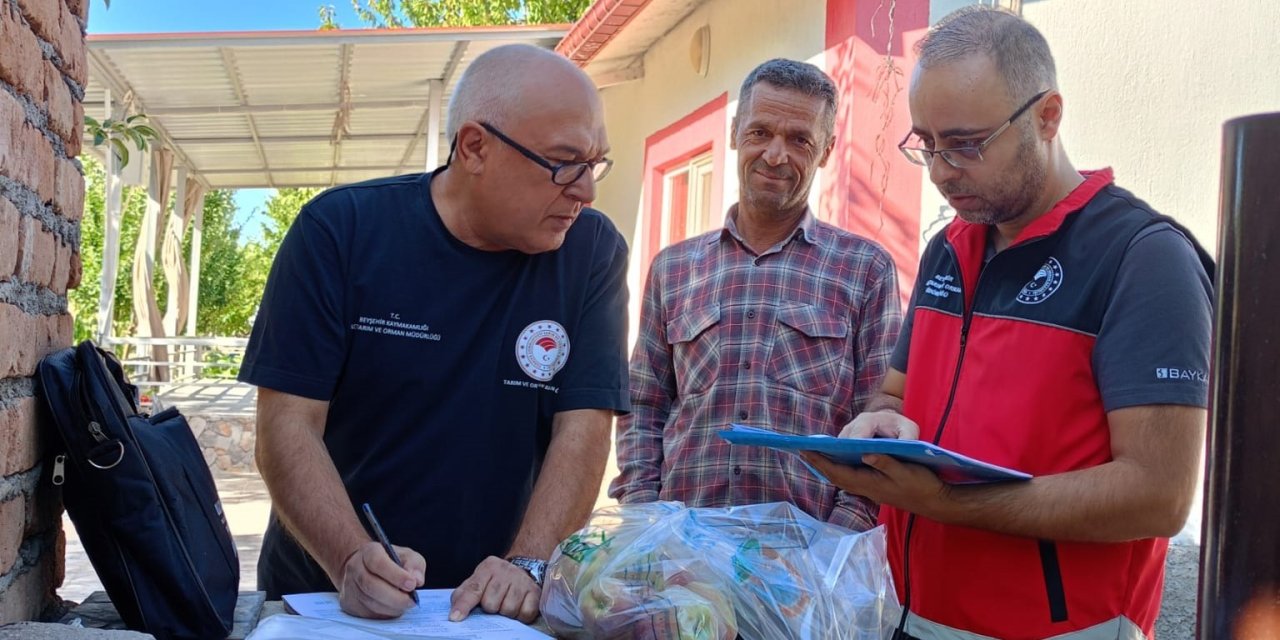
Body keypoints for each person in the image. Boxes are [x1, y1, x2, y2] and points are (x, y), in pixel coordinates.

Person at [802, 7, 1215, 640]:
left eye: (966, 143)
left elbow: (1158, 494)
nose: (941, 171)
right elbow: (896, 392)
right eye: (927, 144)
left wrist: (947, 505)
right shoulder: (950, 247)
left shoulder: (1144, 256)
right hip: (911, 617)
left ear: (1048, 116)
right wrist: (877, 423)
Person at [237, 44, 630, 624]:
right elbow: (287, 425)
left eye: (595, 164)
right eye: (564, 163)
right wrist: (348, 557)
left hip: (494, 612)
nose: (586, 190)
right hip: (326, 601)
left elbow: (585, 428)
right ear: (475, 147)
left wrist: (528, 563)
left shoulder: (592, 251)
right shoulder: (341, 232)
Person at [610, 58, 902, 532]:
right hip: (684, 552)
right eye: (760, 132)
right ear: (733, 134)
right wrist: (647, 516)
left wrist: (836, 539)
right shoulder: (674, 269)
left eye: (799, 140)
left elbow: (881, 415)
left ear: (826, 150)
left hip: (805, 558)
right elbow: (643, 404)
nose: (774, 154)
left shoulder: (865, 270)